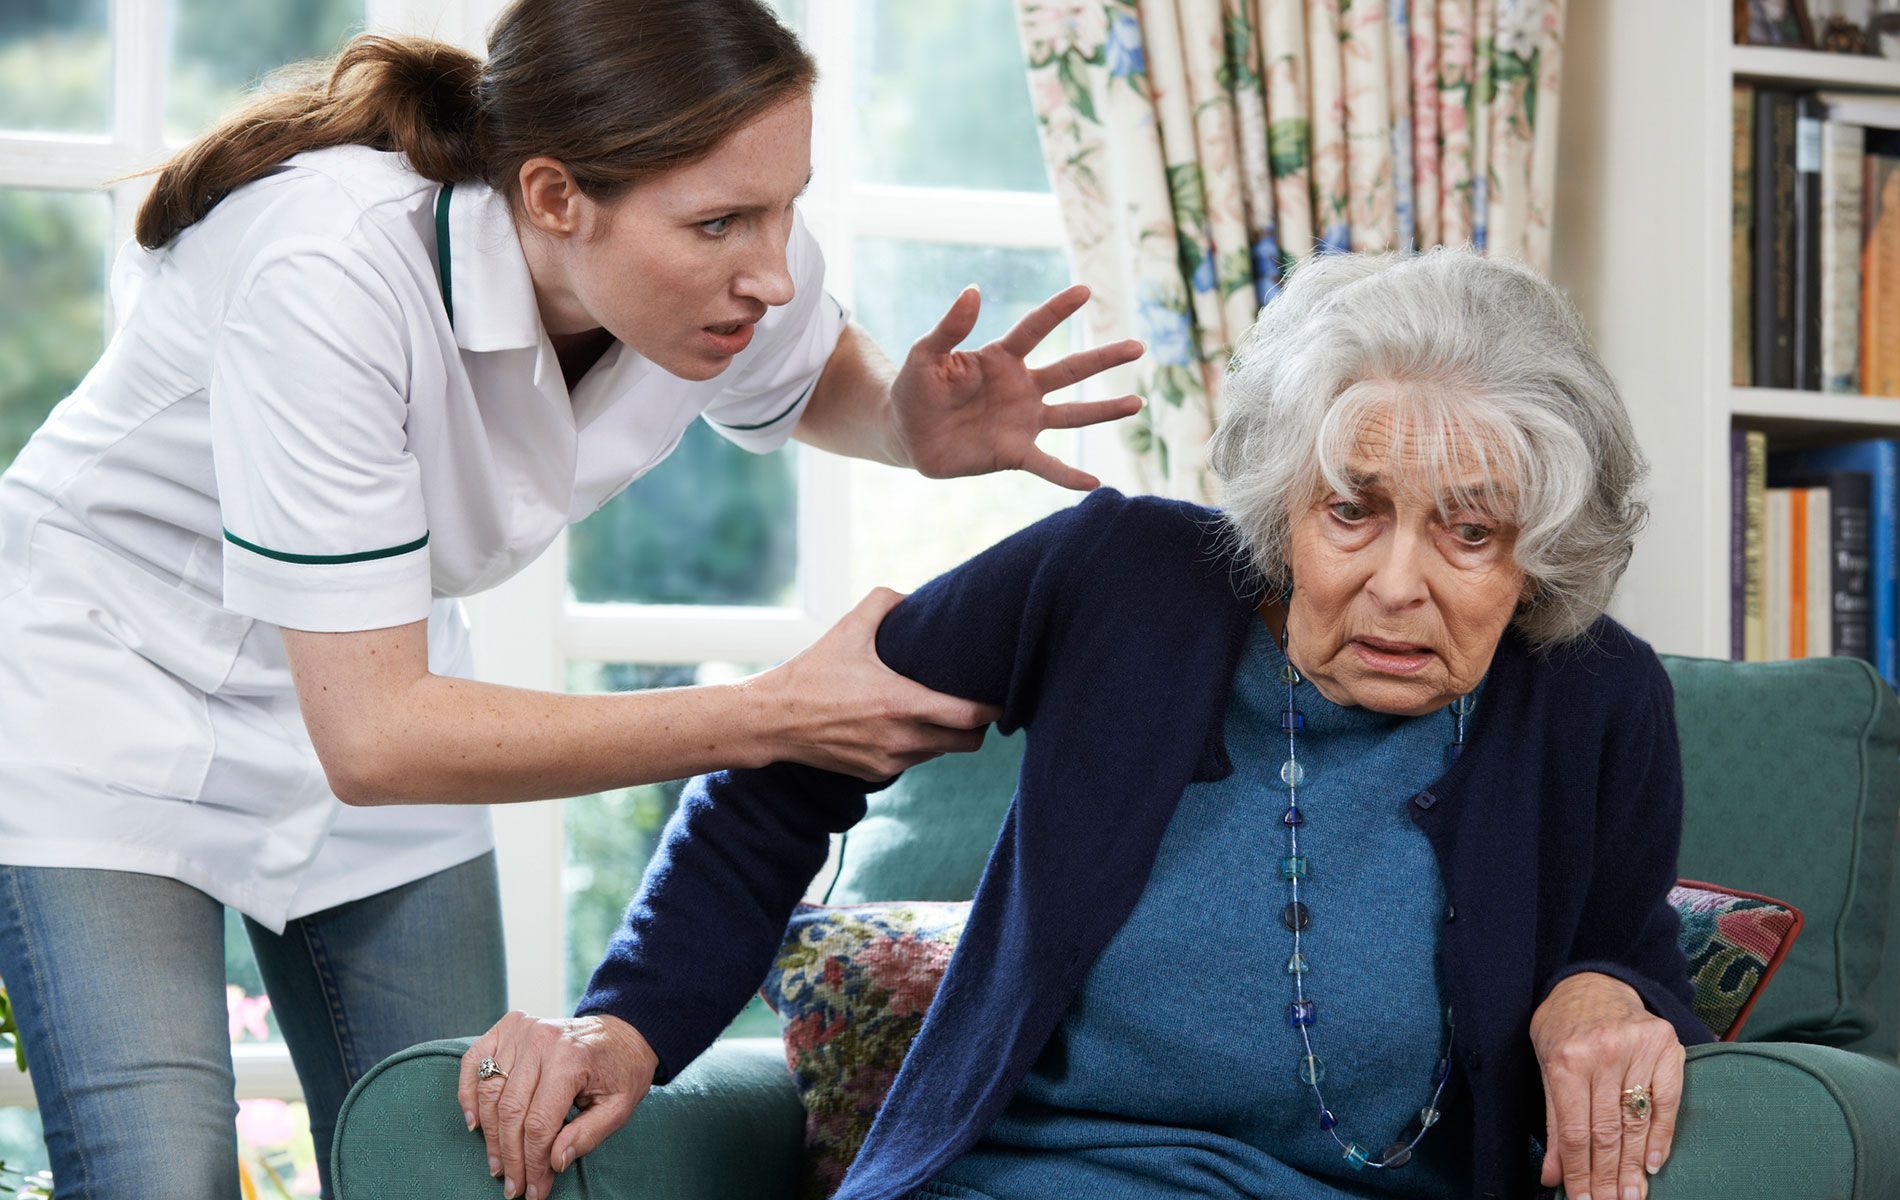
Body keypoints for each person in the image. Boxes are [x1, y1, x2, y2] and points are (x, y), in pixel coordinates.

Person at [0, 2, 1143, 1196]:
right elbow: (378, 735)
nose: (772, 265)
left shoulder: (725, 269)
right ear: (552, 197)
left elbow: (803, 373)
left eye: (786, 206)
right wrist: (775, 714)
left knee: (461, 1164)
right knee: (158, 1171)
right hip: (114, 684)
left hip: (375, 672)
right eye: (719, 222)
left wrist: (906, 425)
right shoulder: (325, 265)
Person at [469, 248, 1712, 1200]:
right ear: (1282, 509)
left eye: (1470, 530)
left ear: (1541, 558)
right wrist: (627, 1018)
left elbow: (1620, 949)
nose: (1397, 582)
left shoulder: (1593, 698)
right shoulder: (1120, 577)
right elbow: (784, 765)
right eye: (1352, 511)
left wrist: (1601, 992)